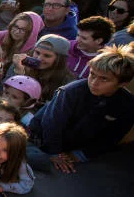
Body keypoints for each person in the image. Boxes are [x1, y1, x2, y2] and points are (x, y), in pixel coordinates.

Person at [27, 45, 134, 173]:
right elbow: (51, 123)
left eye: (104, 79)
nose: (94, 83)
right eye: (92, 75)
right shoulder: (71, 92)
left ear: (122, 83)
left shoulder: (127, 103)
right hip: (43, 137)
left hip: (78, 145)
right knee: (39, 161)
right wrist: (54, 152)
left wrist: (81, 155)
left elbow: (113, 136)